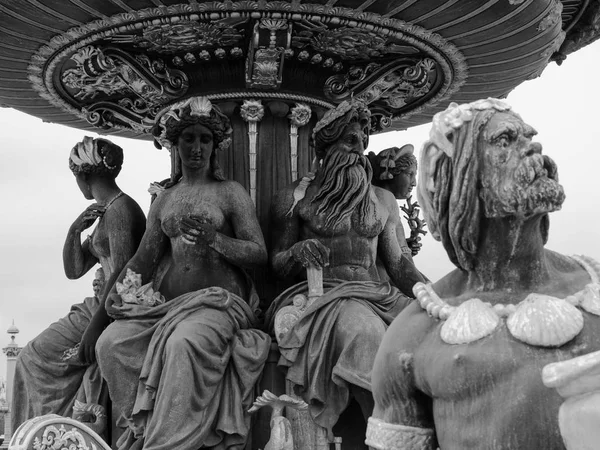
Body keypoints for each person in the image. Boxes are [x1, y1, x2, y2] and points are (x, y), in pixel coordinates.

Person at [367, 99, 600, 450]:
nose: (532, 147)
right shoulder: (413, 334)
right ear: (459, 178)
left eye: (528, 137)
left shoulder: (593, 285)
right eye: (505, 141)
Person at [96, 96, 271, 450]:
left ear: (214, 145)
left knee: (183, 343)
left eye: (204, 139)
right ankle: (142, 429)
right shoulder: (165, 200)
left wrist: (216, 239)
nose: (196, 147)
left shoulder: (230, 193)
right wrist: (113, 296)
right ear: (175, 145)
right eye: (188, 139)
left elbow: (258, 253)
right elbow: (143, 259)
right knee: (110, 344)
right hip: (166, 307)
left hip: (217, 305)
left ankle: (171, 443)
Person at [266, 100, 426, 436]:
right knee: (367, 334)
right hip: (326, 296)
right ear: (327, 148)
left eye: (363, 141)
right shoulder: (296, 198)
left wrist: (433, 297)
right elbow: (277, 264)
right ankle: (386, 430)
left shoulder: (382, 200)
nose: (360, 150)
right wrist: (297, 250)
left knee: (430, 333)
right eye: (350, 142)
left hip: (378, 293)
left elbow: (399, 265)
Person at [12, 137, 146, 433]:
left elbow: (123, 271)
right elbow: (74, 270)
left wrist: (95, 327)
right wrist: (75, 230)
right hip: (101, 305)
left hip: (112, 308)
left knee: (32, 358)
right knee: (31, 357)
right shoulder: (106, 212)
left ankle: (50, 431)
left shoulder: (121, 211)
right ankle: (47, 430)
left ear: (83, 176)